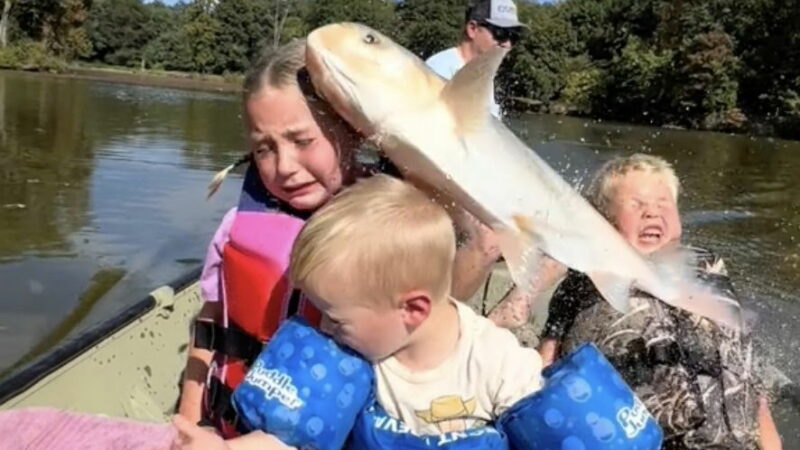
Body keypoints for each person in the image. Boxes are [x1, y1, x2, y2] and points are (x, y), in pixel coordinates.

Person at [178, 39, 507, 435]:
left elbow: (439, 307)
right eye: (264, 149)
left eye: (302, 141)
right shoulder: (237, 224)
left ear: (351, 130)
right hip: (230, 425)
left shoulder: (396, 218)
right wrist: (190, 420)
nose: (284, 167)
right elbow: (211, 325)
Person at [174, 175, 544, 449]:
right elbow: (286, 439)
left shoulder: (500, 364)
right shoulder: (348, 357)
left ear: (412, 310)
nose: (326, 329)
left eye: (336, 319)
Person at [538, 154, 782, 450]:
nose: (652, 213)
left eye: (663, 203)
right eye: (636, 205)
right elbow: (545, 365)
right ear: (606, 222)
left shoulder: (707, 268)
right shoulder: (585, 278)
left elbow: (745, 376)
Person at [426, 0, 526, 118]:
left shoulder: (483, 74)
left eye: (514, 36)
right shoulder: (439, 69)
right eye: (501, 33)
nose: (507, 44)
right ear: (472, 29)